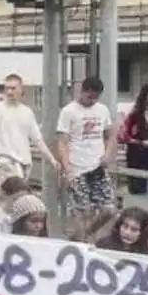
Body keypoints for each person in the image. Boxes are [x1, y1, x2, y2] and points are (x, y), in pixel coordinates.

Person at [57, 76, 118, 235]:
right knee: (83, 211)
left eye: (95, 98)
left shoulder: (102, 110)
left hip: (97, 167)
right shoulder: (69, 111)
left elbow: (110, 134)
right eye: (89, 97)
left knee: (109, 209)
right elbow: (62, 142)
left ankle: (87, 235)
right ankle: (84, 240)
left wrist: (108, 154)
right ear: (82, 92)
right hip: (77, 167)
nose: (92, 101)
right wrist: (67, 169)